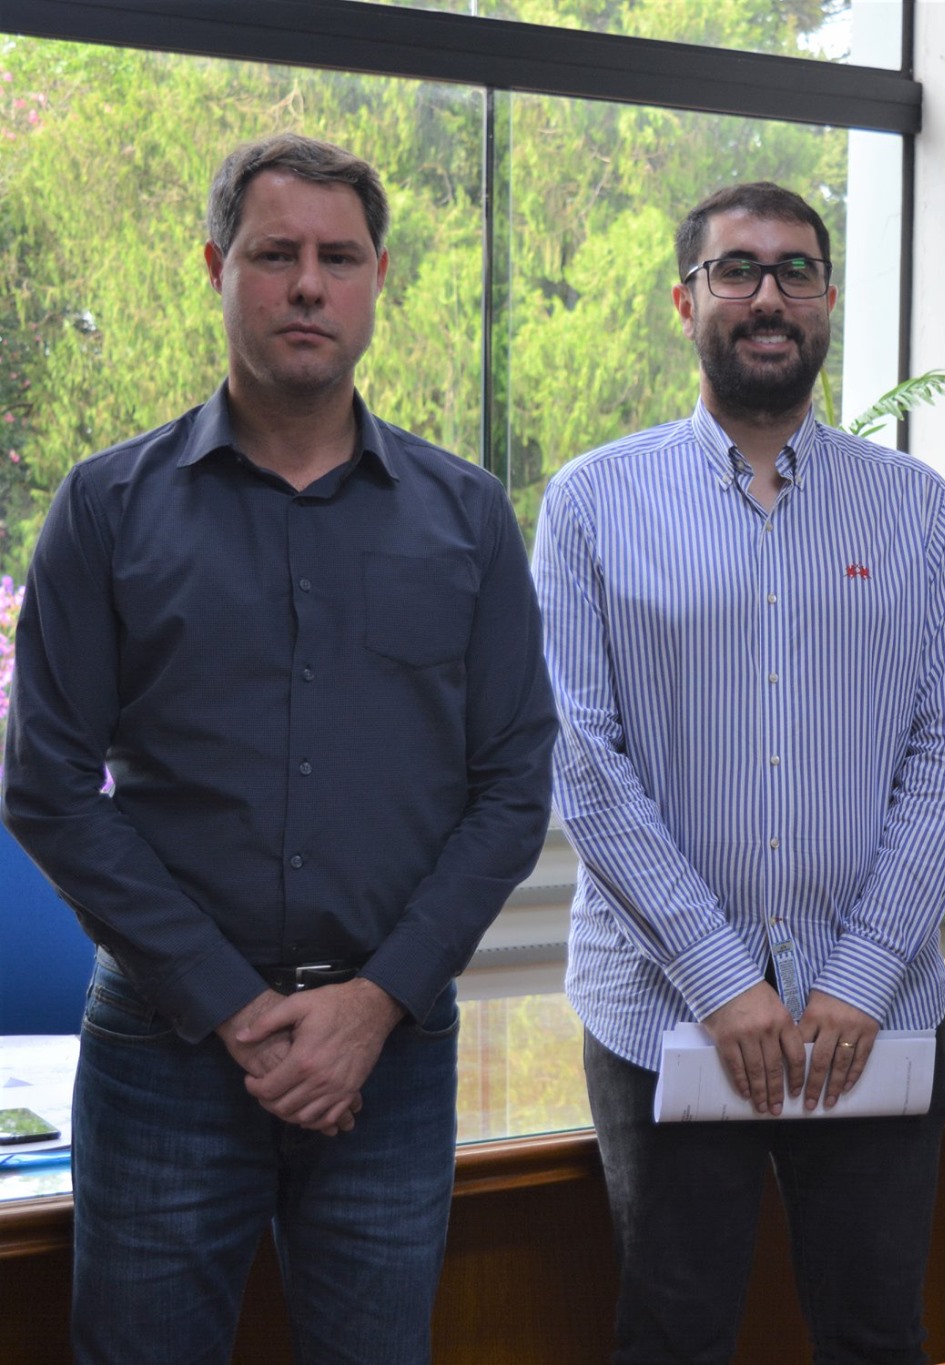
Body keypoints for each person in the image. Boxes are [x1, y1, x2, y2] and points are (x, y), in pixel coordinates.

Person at [2, 133, 557, 1364]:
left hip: (394, 1054)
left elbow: (515, 785)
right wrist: (235, 1010)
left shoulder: (465, 514)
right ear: (217, 266)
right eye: (275, 254)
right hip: (164, 1053)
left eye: (338, 258)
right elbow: (44, 785)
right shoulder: (107, 507)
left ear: (376, 279)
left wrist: (373, 1004)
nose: (308, 284)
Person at [534, 181, 945, 1365]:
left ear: (828, 302)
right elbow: (583, 762)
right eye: (737, 271)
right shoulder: (590, 503)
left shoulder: (915, 512)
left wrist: (865, 973)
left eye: (794, 271)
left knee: (876, 1332)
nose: (766, 296)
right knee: (673, 1330)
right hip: (666, 1014)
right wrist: (723, 980)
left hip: (871, 1020)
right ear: (687, 301)